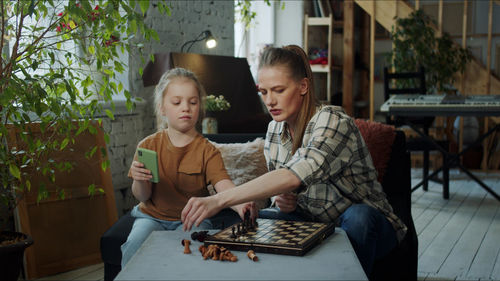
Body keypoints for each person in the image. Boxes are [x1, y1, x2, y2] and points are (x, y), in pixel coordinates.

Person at [181, 45, 407, 275]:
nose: (269, 101)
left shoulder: (332, 121)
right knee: (256, 222)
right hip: (313, 221)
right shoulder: (274, 130)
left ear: (303, 86)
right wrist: (287, 203)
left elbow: (293, 175)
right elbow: (285, 189)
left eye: (278, 90)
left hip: (367, 224)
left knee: (359, 217)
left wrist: (219, 199)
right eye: (264, 92)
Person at [121, 68, 255, 268]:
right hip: (151, 217)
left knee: (188, 253)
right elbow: (142, 196)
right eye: (177, 102)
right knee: (134, 245)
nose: (186, 108)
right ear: (162, 108)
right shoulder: (148, 146)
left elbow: (224, 185)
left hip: (193, 219)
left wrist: (241, 204)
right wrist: (140, 179)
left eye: (193, 102)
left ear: (199, 107)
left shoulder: (207, 151)